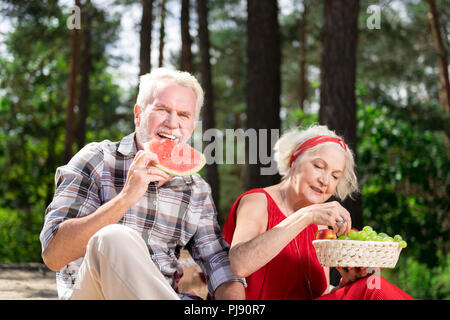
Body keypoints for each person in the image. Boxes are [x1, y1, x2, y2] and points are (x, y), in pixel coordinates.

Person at [40, 67, 245, 300]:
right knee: (113, 238)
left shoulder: (195, 188)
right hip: (92, 294)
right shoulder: (97, 159)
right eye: (162, 109)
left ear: (192, 126)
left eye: (183, 115)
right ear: (138, 114)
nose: (172, 123)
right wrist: (126, 197)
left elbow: (216, 259)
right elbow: (54, 255)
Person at [222, 125, 413, 300]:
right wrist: (305, 216)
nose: (325, 180)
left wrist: (344, 287)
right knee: (373, 290)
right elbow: (239, 264)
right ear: (293, 160)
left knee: (373, 286)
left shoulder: (322, 226)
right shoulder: (257, 201)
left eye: (335, 176)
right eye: (318, 166)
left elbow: (319, 293)